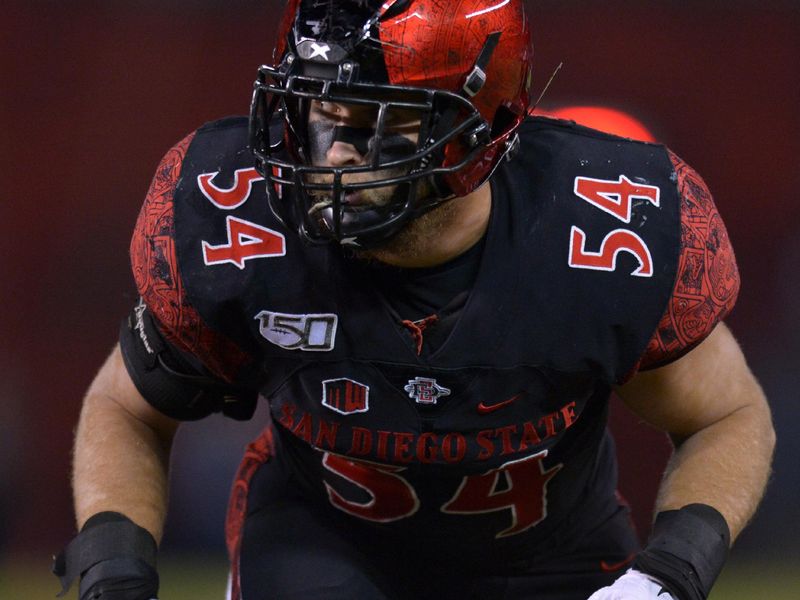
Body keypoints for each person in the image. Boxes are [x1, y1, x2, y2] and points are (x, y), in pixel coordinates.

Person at [53, 1, 775, 599]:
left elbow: (727, 414)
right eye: (324, 115)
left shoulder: (599, 233)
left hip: (551, 560)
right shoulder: (241, 222)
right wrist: (114, 566)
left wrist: (668, 573)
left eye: (379, 126)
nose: (332, 154)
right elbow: (127, 406)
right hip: (323, 544)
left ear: (481, 129)